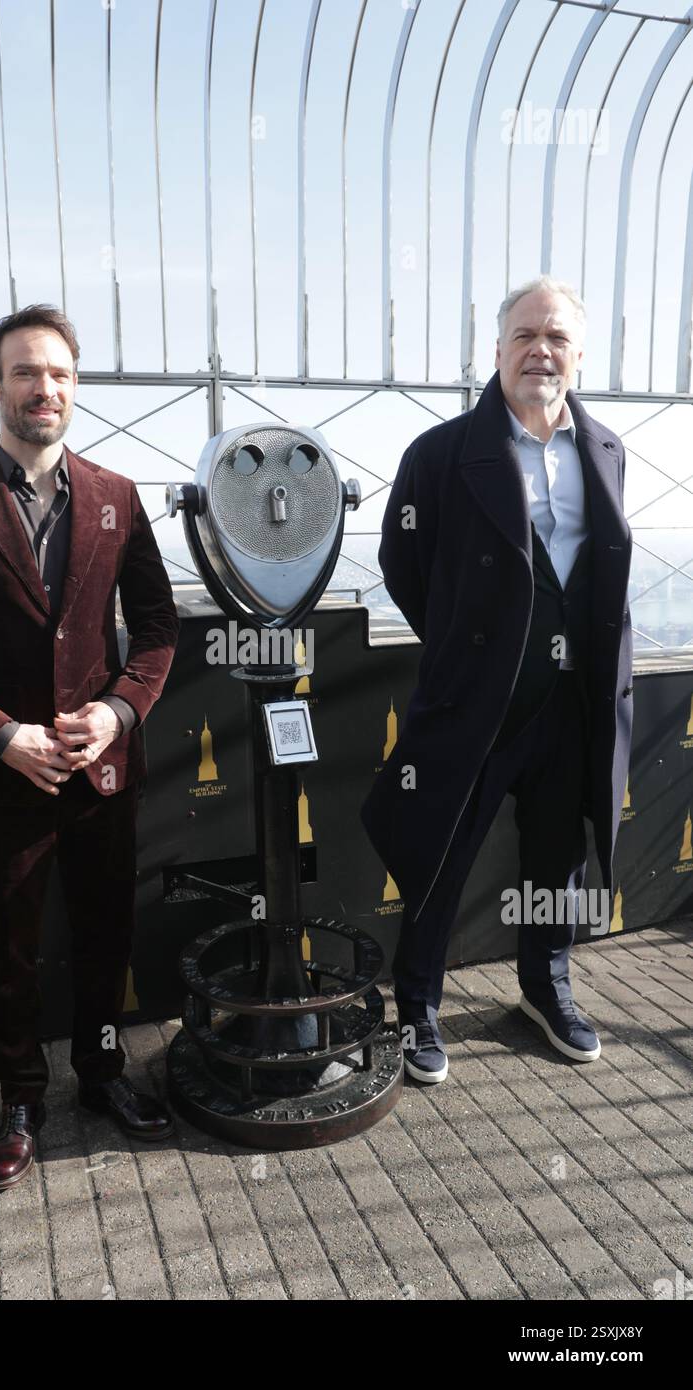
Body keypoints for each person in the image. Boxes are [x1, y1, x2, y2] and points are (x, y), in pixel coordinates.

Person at [0, 305, 180, 1189]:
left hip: (102, 770)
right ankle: (19, 1100)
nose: (42, 387)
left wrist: (118, 716)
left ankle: (100, 1074)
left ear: (74, 383)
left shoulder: (118, 497)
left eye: (56, 371)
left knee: (103, 936)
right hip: (3, 775)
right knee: (6, 949)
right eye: (23, 372)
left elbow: (160, 628)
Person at [361, 276, 632, 1084]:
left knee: (557, 862)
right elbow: (403, 566)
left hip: (574, 700)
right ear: (497, 350)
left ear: (578, 356)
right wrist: (465, 648)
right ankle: (417, 1005)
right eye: (524, 335)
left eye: (556, 338)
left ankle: (546, 989)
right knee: (440, 855)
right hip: (479, 705)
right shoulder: (440, 454)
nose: (539, 350)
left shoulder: (607, 448)